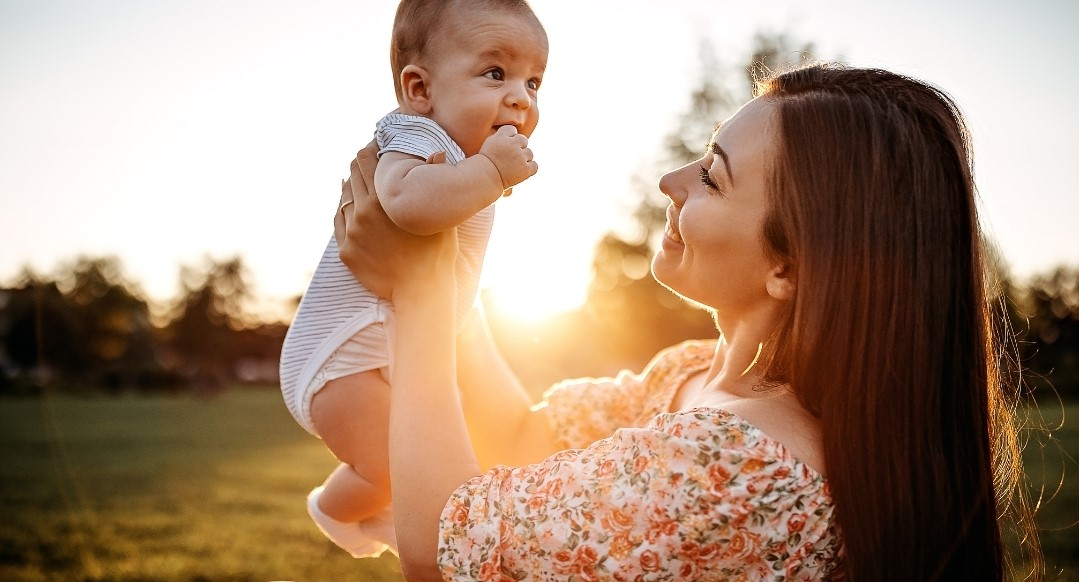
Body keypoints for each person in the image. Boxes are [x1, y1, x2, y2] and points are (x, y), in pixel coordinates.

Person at [336, 62, 1041, 581]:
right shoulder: (692, 377)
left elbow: (439, 549)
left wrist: (421, 295)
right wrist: (447, 258)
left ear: (789, 267)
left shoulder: (736, 461)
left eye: (711, 175)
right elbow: (522, 436)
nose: (671, 180)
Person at [278, 0, 546, 558]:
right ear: (420, 90)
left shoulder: (461, 156)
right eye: (495, 73)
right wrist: (492, 172)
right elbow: (401, 203)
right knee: (392, 467)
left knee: (419, 458)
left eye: (534, 81)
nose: (521, 96)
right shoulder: (415, 136)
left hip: (382, 347)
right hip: (338, 359)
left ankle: (391, 510)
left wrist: (483, 173)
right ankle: (333, 509)